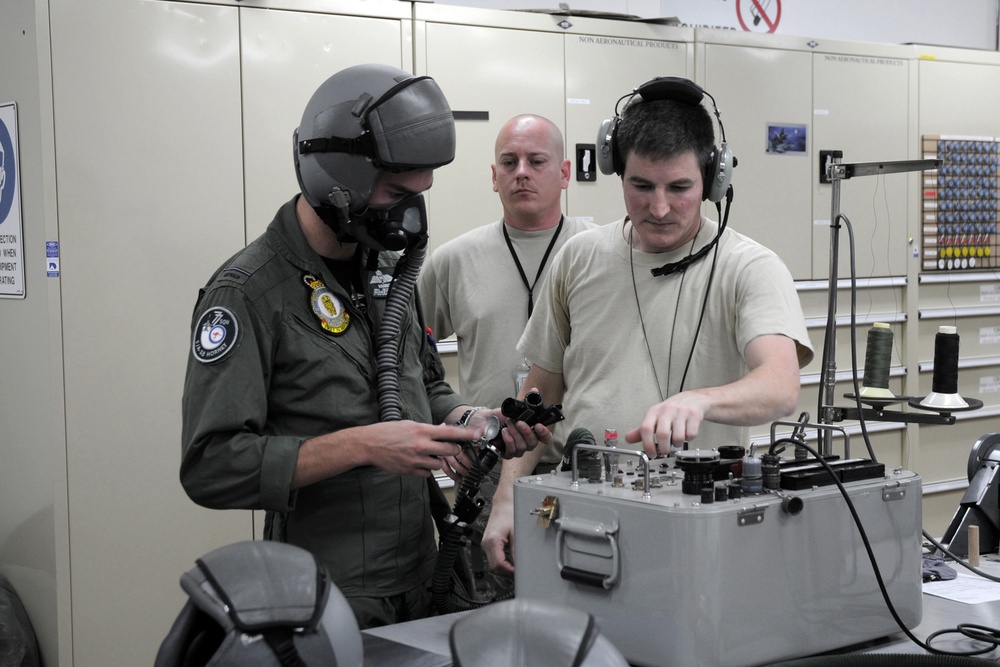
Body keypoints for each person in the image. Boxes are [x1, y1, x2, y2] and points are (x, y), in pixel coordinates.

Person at [179, 64, 548, 630]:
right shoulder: (249, 293)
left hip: (422, 579)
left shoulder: (385, 274)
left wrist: (469, 419)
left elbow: (422, 383)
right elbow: (210, 466)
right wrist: (365, 445)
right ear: (339, 177)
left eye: (420, 193)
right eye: (397, 194)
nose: (410, 216)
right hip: (326, 596)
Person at [481, 76, 814, 576]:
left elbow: (781, 384)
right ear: (617, 172)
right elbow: (540, 393)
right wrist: (507, 499)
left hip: (696, 525)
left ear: (713, 179)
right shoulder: (580, 257)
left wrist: (701, 400)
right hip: (582, 516)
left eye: (679, 188)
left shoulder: (750, 268)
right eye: (641, 186)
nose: (658, 208)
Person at [418, 115, 594, 600]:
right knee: (490, 616)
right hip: (489, 470)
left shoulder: (600, 252)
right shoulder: (454, 260)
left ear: (563, 173)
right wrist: (443, 429)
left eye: (536, 162)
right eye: (508, 162)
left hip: (584, 466)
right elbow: (406, 359)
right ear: (493, 176)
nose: (521, 172)